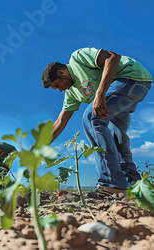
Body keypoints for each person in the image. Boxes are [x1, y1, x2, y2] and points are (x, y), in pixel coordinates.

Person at [42, 47, 152, 198]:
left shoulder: (77, 58)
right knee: (117, 136)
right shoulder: (72, 92)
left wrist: (99, 95)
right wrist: (39, 146)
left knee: (92, 118)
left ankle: (112, 183)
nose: (60, 90)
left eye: (57, 85)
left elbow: (113, 57)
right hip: (127, 89)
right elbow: (60, 121)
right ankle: (134, 186)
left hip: (130, 78)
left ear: (61, 72)